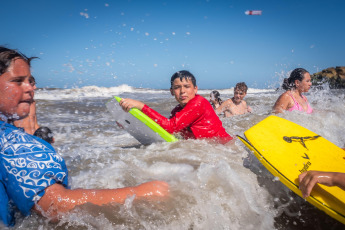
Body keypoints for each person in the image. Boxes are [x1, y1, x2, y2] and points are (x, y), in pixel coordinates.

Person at [0, 46, 169, 226]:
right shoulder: (12, 144)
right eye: (18, 81)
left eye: (31, 81)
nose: (30, 88)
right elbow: (55, 206)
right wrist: (143, 192)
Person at [119, 70, 233, 144]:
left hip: (225, 146)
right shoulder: (177, 111)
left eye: (187, 86)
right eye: (177, 87)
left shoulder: (199, 103)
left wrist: (141, 106)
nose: (182, 91)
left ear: (195, 89)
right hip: (209, 147)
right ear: (172, 91)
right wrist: (132, 124)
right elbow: (166, 131)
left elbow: (170, 127)